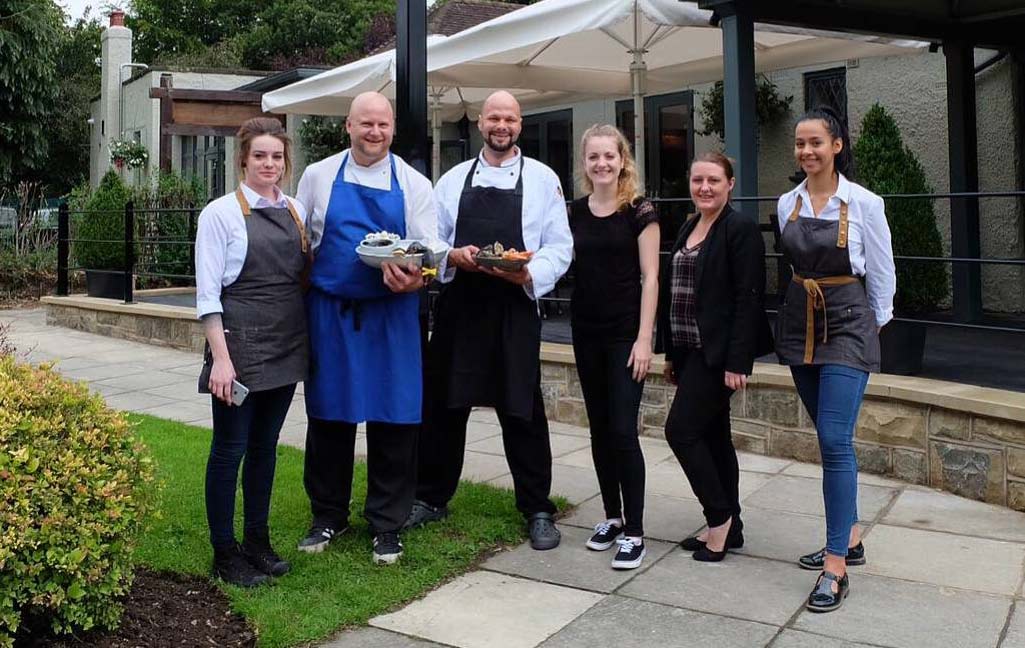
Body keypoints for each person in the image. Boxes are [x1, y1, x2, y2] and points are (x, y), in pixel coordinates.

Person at [405, 91, 573, 550]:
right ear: (481, 122)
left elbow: (560, 245)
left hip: (515, 306)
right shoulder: (455, 179)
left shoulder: (543, 180)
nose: (503, 125)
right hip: (462, 303)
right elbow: (430, 239)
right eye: (495, 117)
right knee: (444, 405)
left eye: (511, 118)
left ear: (520, 125)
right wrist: (453, 257)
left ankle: (537, 508)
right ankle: (431, 497)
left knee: (523, 409)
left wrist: (528, 272)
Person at [295, 91, 440, 565]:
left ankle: (387, 523)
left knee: (394, 417)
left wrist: (416, 275)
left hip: (392, 315)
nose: (374, 133)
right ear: (348, 126)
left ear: (392, 128)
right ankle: (327, 515)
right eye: (365, 124)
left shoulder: (415, 183)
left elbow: (429, 251)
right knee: (329, 415)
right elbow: (303, 245)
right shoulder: (317, 177)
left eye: (382, 125)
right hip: (332, 313)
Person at [775, 106, 895, 612]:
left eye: (816, 143)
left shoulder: (865, 203)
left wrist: (872, 325)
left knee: (833, 438)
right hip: (801, 321)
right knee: (827, 437)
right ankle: (852, 535)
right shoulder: (788, 203)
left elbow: (884, 275)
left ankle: (835, 566)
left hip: (848, 324)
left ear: (837, 146)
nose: (807, 152)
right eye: (800, 144)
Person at [195, 117, 308, 587]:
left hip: (284, 347)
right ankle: (225, 552)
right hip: (238, 351)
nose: (269, 164)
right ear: (243, 159)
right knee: (230, 449)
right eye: (260, 155)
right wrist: (221, 359)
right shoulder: (219, 214)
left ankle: (257, 542)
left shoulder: (297, 210)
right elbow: (208, 296)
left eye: (277, 156)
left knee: (265, 450)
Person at [655, 151, 773, 563]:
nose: (704, 188)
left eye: (713, 181)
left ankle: (718, 518)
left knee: (681, 432)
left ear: (730, 184)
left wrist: (738, 361)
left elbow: (749, 297)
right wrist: (671, 354)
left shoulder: (738, 229)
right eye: (697, 181)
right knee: (713, 438)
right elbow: (676, 294)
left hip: (718, 355)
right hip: (688, 353)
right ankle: (732, 525)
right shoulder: (689, 224)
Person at [568, 124, 659, 569]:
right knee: (600, 431)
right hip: (586, 332)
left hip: (626, 335)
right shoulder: (574, 212)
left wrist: (645, 339)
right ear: (584, 164)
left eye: (610, 155)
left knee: (624, 431)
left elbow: (651, 278)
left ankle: (637, 532)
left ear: (623, 159)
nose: (602, 163)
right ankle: (612, 516)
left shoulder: (640, 212)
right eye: (593, 157)